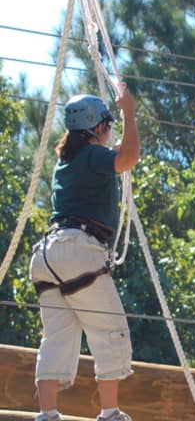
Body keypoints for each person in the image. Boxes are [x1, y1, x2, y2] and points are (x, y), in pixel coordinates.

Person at [30, 86, 139, 421]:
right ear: (99, 128)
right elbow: (127, 158)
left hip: (48, 255)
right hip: (79, 250)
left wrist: (121, 120)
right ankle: (109, 413)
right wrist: (130, 114)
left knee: (58, 336)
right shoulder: (94, 157)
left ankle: (47, 414)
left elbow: (118, 154)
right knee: (110, 330)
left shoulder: (69, 161)